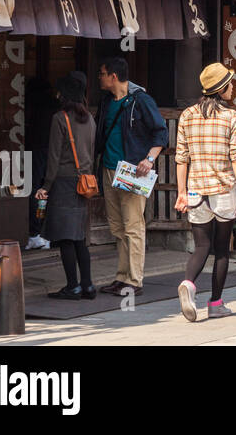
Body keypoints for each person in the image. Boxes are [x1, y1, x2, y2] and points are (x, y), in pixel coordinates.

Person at [174, 63, 236, 322]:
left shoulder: (187, 115)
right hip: (224, 190)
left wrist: (181, 192)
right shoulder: (232, 118)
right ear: (221, 89)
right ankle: (216, 303)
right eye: (229, 84)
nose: (233, 87)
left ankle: (188, 282)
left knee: (201, 246)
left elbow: (181, 158)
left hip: (196, 189)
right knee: (221, 249)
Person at [94, 57, 167, 298]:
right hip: (108, 169)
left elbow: (161, 132)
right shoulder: (106, 102)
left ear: (113, 76)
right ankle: (121, 276)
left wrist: (149, 159)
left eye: (102, 73)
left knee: (133, 226)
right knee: (117, 227)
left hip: (133, 171)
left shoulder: (141, 100)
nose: (100, 77)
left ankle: (134, 280)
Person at [35, 72, 97, 300]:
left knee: (64, 238)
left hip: (63, 182)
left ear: (66, 93)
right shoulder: (90, 119)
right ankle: (88, 285)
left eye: (59, 90)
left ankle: (72, 286)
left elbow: (53, 158)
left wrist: (46, 186)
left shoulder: (59, 118)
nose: (57, 94)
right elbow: (90, 153)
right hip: (83, 183)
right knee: (79, 236)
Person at [24, 76, 59, 252]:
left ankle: (35, 232)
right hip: (52, 152)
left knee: (36, 190)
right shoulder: (56, 107)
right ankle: (45, 233)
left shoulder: (30, 106)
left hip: (35, 150)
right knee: (47, 190)